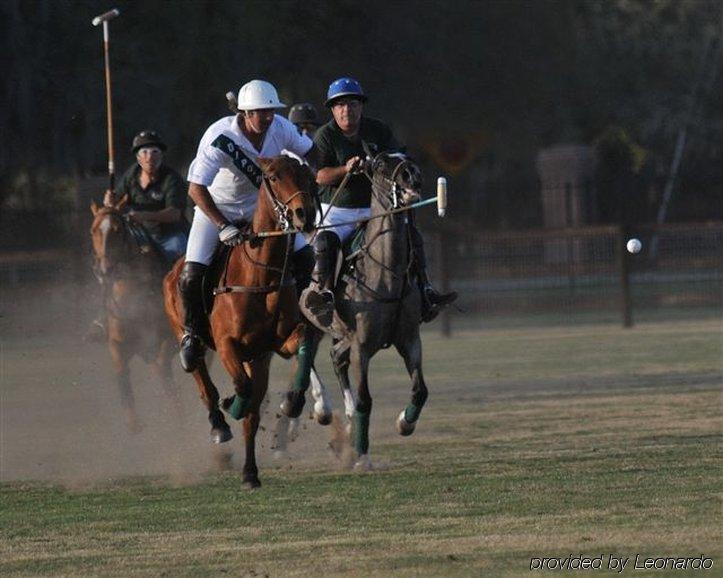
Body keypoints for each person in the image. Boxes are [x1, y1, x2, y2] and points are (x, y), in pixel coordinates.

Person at [178, 79, 319, 372]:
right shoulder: (220, 136)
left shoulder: (280, 127)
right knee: (192, 273)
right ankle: (192, 334)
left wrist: (312, 174)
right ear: (244, 113)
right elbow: (195, 188)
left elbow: (312, 152)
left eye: (270, 111)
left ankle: (304, 316)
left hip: (262, 207)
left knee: (306, 255)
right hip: (217, 207)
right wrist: (222, 225)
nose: (267, 118)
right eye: (259, 112)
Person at [304, 77, 457, 328]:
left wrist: (379, 163)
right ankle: (324, 294)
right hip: (338, 211)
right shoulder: (325, 135)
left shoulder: (378, 130)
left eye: (352, 104)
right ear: (332, 109)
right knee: (324, 242)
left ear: (361, 106)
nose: (346, 110)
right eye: (340, 105)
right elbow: (320, 176)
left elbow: (399, 157)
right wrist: (346, 168)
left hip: (375, 208)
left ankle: (426, 290)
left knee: (409, 233)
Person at [86, 130, 187, 342]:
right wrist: (109, 202)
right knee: (110, 262)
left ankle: (186, 313)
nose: (150, 156)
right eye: (144, 152)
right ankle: (103, 316)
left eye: (154, 151)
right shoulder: (131, 176)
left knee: (180, 264)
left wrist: (143, 215)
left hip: (169, 234)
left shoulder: (172, 179)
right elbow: (115, 206)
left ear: (161, 156)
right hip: (139, 234)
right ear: (138, 157)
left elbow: (174, 213)